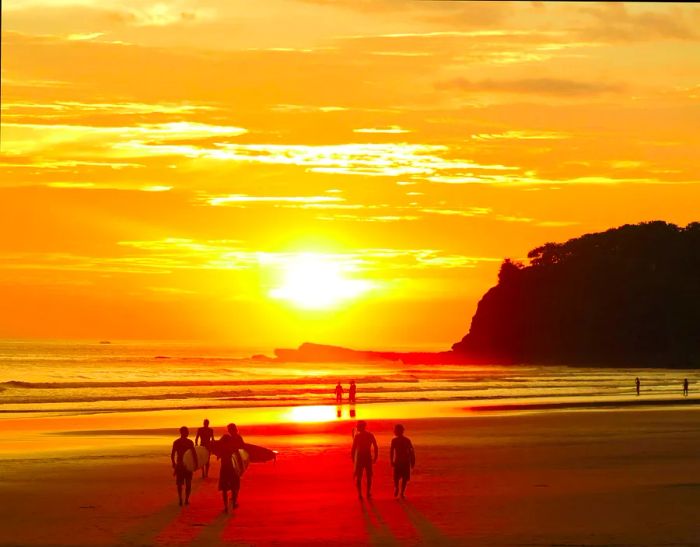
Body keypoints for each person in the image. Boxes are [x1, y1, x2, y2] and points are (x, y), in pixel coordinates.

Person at [217, 423, 245, 512]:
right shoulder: (238, 438)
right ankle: (234, 503)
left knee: (224, 488)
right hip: (234, 465)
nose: (229, 431)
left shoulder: (225, 438)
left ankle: (225, 507)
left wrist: (219, 454)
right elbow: (242, 451)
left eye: (229, 429)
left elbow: (218, 447)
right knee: (235, 486)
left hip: (225, 465)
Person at [351, 420, 378, 500]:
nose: (357, 428)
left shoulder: (359, 436)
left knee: (364, 476)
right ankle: (364, 493)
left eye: (358, 426)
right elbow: (375, 447)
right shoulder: (368, 435)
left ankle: (364, 493)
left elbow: (353, 449)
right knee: (365, 476)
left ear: (362, 426)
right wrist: (375, 457)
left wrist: (354, 460)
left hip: (362, 458)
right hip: (365, 457)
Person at [171, 426, 197, 507]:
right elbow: (194, 454)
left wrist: (174, 464)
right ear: (184, 433)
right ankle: (185, 499)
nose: (188, 433)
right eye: (187, 432)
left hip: (180, 465)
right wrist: (196, 464)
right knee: (187, 483)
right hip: (187, 465)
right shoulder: (189, 442)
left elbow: (172, 455)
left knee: (180, 484)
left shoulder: (176, 442)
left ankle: (181, 499)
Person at [390, 424, 415, 499]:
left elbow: (391, 451)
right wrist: (412, 461)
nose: (395, 432)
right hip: (404, 461)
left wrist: (391, 460)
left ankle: (399, 490)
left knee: (398, 478)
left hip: (400, 461)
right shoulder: (406, 440)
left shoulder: (396, 440)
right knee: (403, 478)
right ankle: (401, 492)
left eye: (395, 430)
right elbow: (411, 451)